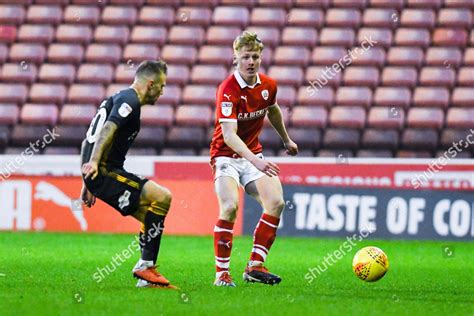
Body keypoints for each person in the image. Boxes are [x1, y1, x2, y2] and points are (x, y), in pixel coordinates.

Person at [210, 31, 298, 287]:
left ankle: (255, 266)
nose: (251, 61)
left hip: (252, 155)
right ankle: (222, 275)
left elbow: (273, 109)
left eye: (255, 56)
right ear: (235, 57)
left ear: (261, 58)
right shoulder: (228, 89)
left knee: (276, 202)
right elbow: (228, 135)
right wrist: (255, 160)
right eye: (246, 56)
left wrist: (286, 139)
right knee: (229, 207)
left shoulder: (269, 85)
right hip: (226, 156)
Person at [80, 60, 177, 289]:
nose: (162, 92)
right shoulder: (130, 100)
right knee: (162, 197)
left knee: (151, 218)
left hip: (100, 172)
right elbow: (107, 129)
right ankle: (145, 266)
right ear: (150, 84)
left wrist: (86, 180)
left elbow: (89, 139)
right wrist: (94, 164)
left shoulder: (120, 97)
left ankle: (146, 274)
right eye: (162, 86)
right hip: (103, 171)